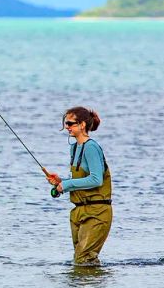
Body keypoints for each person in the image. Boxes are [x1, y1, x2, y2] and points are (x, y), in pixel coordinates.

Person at [42, 106, 113, 266]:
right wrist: (61, 183)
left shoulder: (91, 147)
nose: (66, 126)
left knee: (83, 258)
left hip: (97, 212)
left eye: (70, 123)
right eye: (65, 123)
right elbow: (81, 179)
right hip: (79, 212)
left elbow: (96, 180)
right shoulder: (75, 148)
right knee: (80, 260)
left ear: (82, 125)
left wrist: (67, 184)